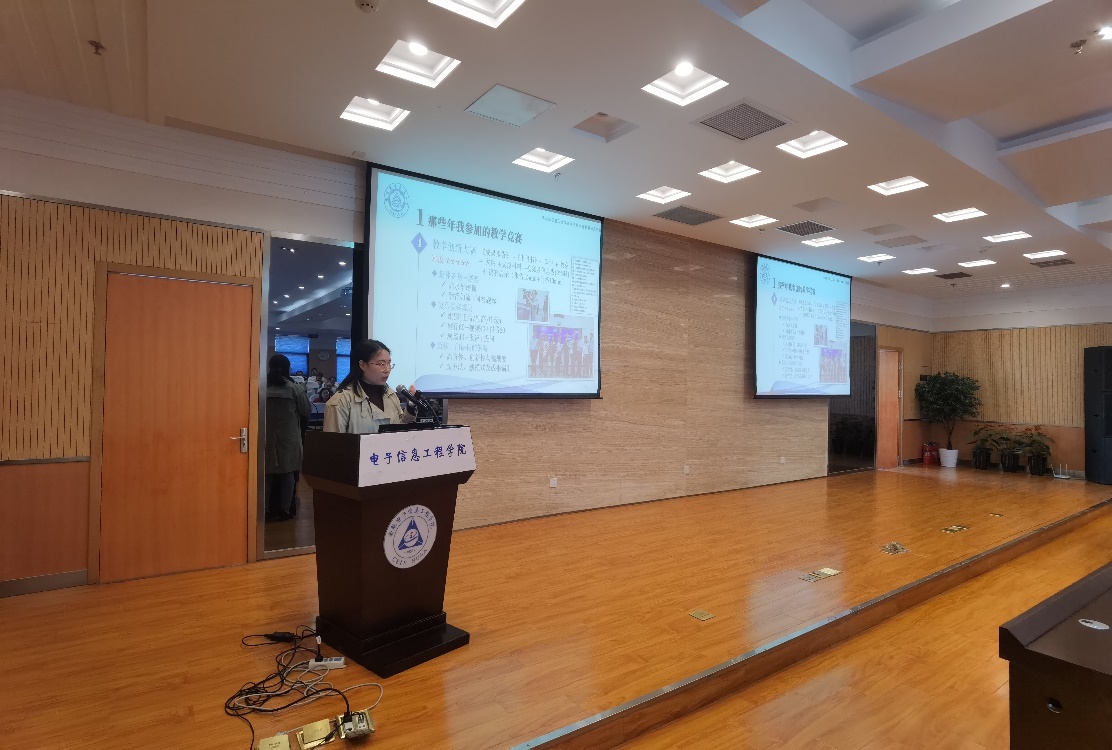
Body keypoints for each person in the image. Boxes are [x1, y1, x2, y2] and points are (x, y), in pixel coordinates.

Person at [324, 339, 416, 434]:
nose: (387, 370)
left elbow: (399, 429)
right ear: (362, 365)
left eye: (389, 363)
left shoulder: (390, 395)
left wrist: (411, 406)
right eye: (381, 364)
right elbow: (333, 442)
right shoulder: (341, 401)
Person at [265, 354, 310, 522]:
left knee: (266, 474)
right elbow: (305, 411)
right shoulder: (295, 388)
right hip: (289, 438)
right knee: (288, 473)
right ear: (287, 368)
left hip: (265, 437)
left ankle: (264, 509)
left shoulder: (260, 387)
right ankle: (285, 509)